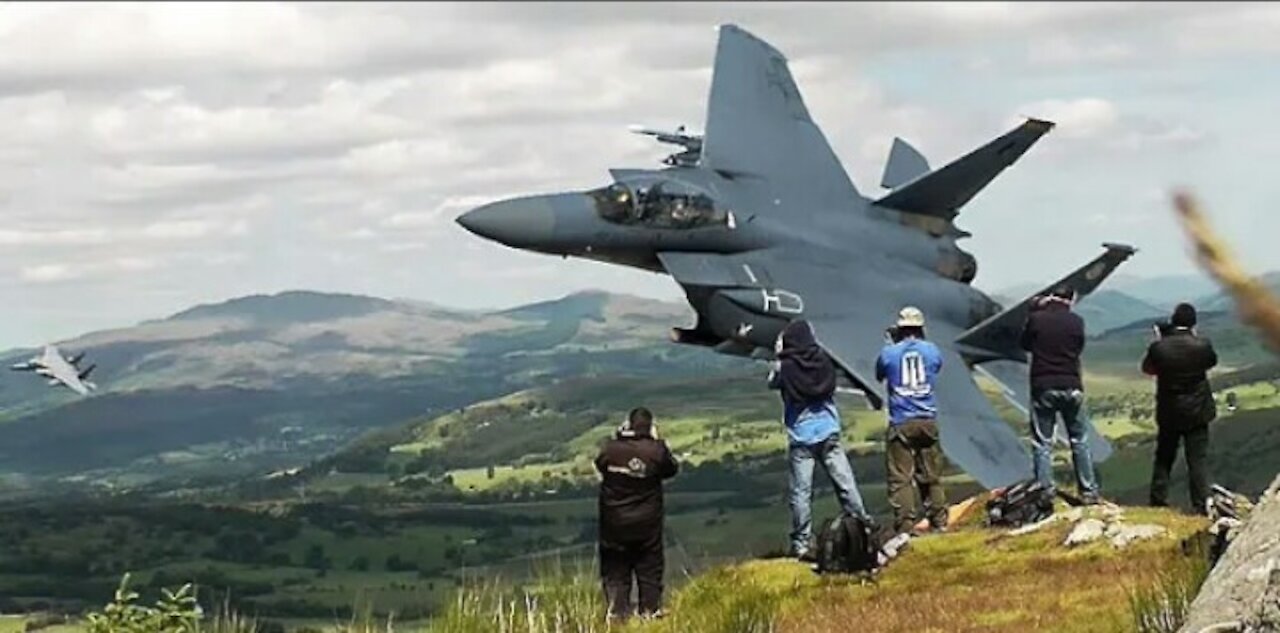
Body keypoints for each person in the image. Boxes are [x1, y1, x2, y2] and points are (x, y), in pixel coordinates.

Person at [768, 319, 871, 560]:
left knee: (801, 493)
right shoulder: (823, 360)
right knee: (845, 482)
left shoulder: (785, 367)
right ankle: (862, 525)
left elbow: (772, 382)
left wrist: (778, 354)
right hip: (828, 429)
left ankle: (802, 542)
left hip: (801, 436)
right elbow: (832, 386)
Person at [594, 407, 679, 621]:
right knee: (649, 566)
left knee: (616, 569)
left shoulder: (611, 449)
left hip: (614, 523)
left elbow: (600, 464)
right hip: (647, 522)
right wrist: (656, 441)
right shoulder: (656, 450)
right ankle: (650, 611)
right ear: (650, 427)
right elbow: (671, 469)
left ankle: (617, 612)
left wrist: (619, 438)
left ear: (628, 425)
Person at [1020, 285, 1101, 504]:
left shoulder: (1037, 319)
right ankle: (1088, 491)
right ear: (1071, 298)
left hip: (1043, 384)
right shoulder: (1077, 321)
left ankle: (1044, 491)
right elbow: (1078, 348)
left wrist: (1032, 313)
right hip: (1072, 383)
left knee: (1042, 442)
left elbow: (1025, 344)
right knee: (1079, 440)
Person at [875, 307, 948, 536]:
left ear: (900, 329)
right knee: (931, 476)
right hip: (927, 419)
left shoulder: (889, 353)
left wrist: (890, 345)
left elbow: (880, 374)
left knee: (901, 479)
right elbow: (936, 366)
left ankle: (906, 526)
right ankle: (939, 522)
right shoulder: (932, 350)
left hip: (901, 421)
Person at [1142, 303, 1219, 514]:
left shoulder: (1159, 348)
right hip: (1198, 411)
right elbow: (1211, 361)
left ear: (1174, 320)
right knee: (1197, 460)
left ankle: (1158, 501)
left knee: (1164, 457)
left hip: (1170, 411)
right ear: (1193, 323)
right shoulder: (1202, 345)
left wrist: (1160, 340)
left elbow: (1148, 368)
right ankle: (1200, 504)